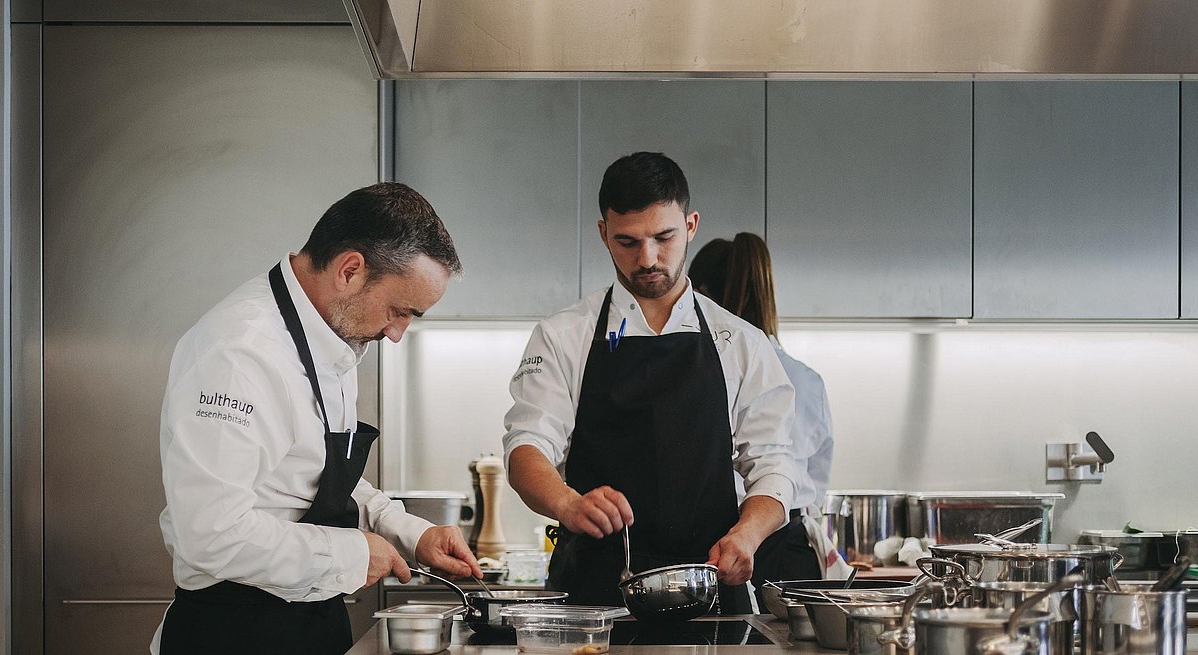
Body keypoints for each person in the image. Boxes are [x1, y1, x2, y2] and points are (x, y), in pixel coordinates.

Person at [152, 182, 480, 655]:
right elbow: (210, 534)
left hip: (308, 624)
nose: (396, 333)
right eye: (398, 311)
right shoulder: (240, 353)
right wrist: (352, 552)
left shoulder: (332, 336)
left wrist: (411, 531)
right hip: (235, 632)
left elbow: (316, 475)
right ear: (350, 270)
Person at [502, 152, 801, 612]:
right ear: (603, 233)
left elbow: (775, 467)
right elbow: (527, 450)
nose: (648, 259)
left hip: (712, 589)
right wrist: (566, 503)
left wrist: (748, 534)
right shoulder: (565, 335)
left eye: (664, 237)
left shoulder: (741, 342)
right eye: (627, 242)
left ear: (691, 225)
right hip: (595, 595)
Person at [688, 232, 852, 599]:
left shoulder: (706, 376)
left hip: (724, 552)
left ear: (703, 296)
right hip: (793, 556)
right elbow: (814, 483)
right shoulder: (808, 380)